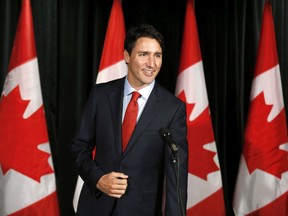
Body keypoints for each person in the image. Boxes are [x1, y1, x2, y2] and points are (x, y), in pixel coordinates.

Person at [71, 23, 188, 216]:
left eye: (157, 56)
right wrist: (98, 179)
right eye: (144, 54)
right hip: (95, 207)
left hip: (141, 210)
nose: (152, 63)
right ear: (127, 56)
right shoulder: (100, 95)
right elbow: (79, 146)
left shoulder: (173, 109)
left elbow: (177, 176)